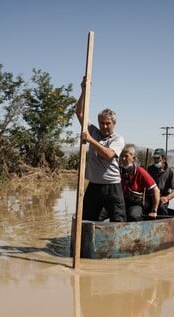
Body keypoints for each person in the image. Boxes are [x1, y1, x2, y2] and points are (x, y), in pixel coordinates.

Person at [75, 76, 126, 222]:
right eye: (102, 123)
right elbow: (79, 113)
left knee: (119, 221)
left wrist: (90, 140)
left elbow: (109, 155)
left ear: (114, 123)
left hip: (112, 186)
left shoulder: (118, 139)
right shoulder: (94, 131)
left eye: (108, 123)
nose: (104, 126)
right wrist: (83, 91)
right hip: (94, 185)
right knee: (86, 220)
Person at [119, 144, 160, 221]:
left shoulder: (140, 171)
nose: (123, 159)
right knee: (103, 214)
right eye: (121, 156)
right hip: (121, 203)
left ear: (133, 158)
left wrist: (154, 210)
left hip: (135, 204)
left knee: (133, 216)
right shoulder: (118, 171)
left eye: (126, 156)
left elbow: (156, 190)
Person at [146, 148, 174, 216]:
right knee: (144, 208)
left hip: (162, 198)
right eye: (154, 158)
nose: (155, 160)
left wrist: (167, 198)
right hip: (150, 198)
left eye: (158, 158)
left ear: (164, 159)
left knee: (162, 209)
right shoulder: (150, 169)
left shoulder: (171, 172)